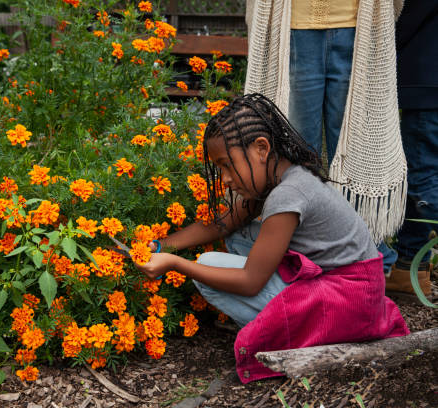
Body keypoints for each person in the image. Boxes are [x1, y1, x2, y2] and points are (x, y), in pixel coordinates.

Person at [136, 94, 409, 383]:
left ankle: (282, 334)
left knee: (206, 266)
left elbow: (250, 282)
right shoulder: (284, 177)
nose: (225, 178)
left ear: (261, 148)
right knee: (238, 234)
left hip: (349, 302)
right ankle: (287, 317)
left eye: (227, 165)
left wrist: (176, 264)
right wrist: (161, 245)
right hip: (356, 289)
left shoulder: (287, 196)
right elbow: (221, 225)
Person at [244, 0, 408, 252]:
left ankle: (364, 254)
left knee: (357, 151)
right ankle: (305, 249)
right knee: (297, 150)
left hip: (357, 26)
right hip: (295, 27)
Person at [384, 0, 438, 296]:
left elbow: (412, 13)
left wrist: (382, 38)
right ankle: (411, 268)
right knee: (427, 174)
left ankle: (409, 266)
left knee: (422, 175)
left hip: (428, 80)